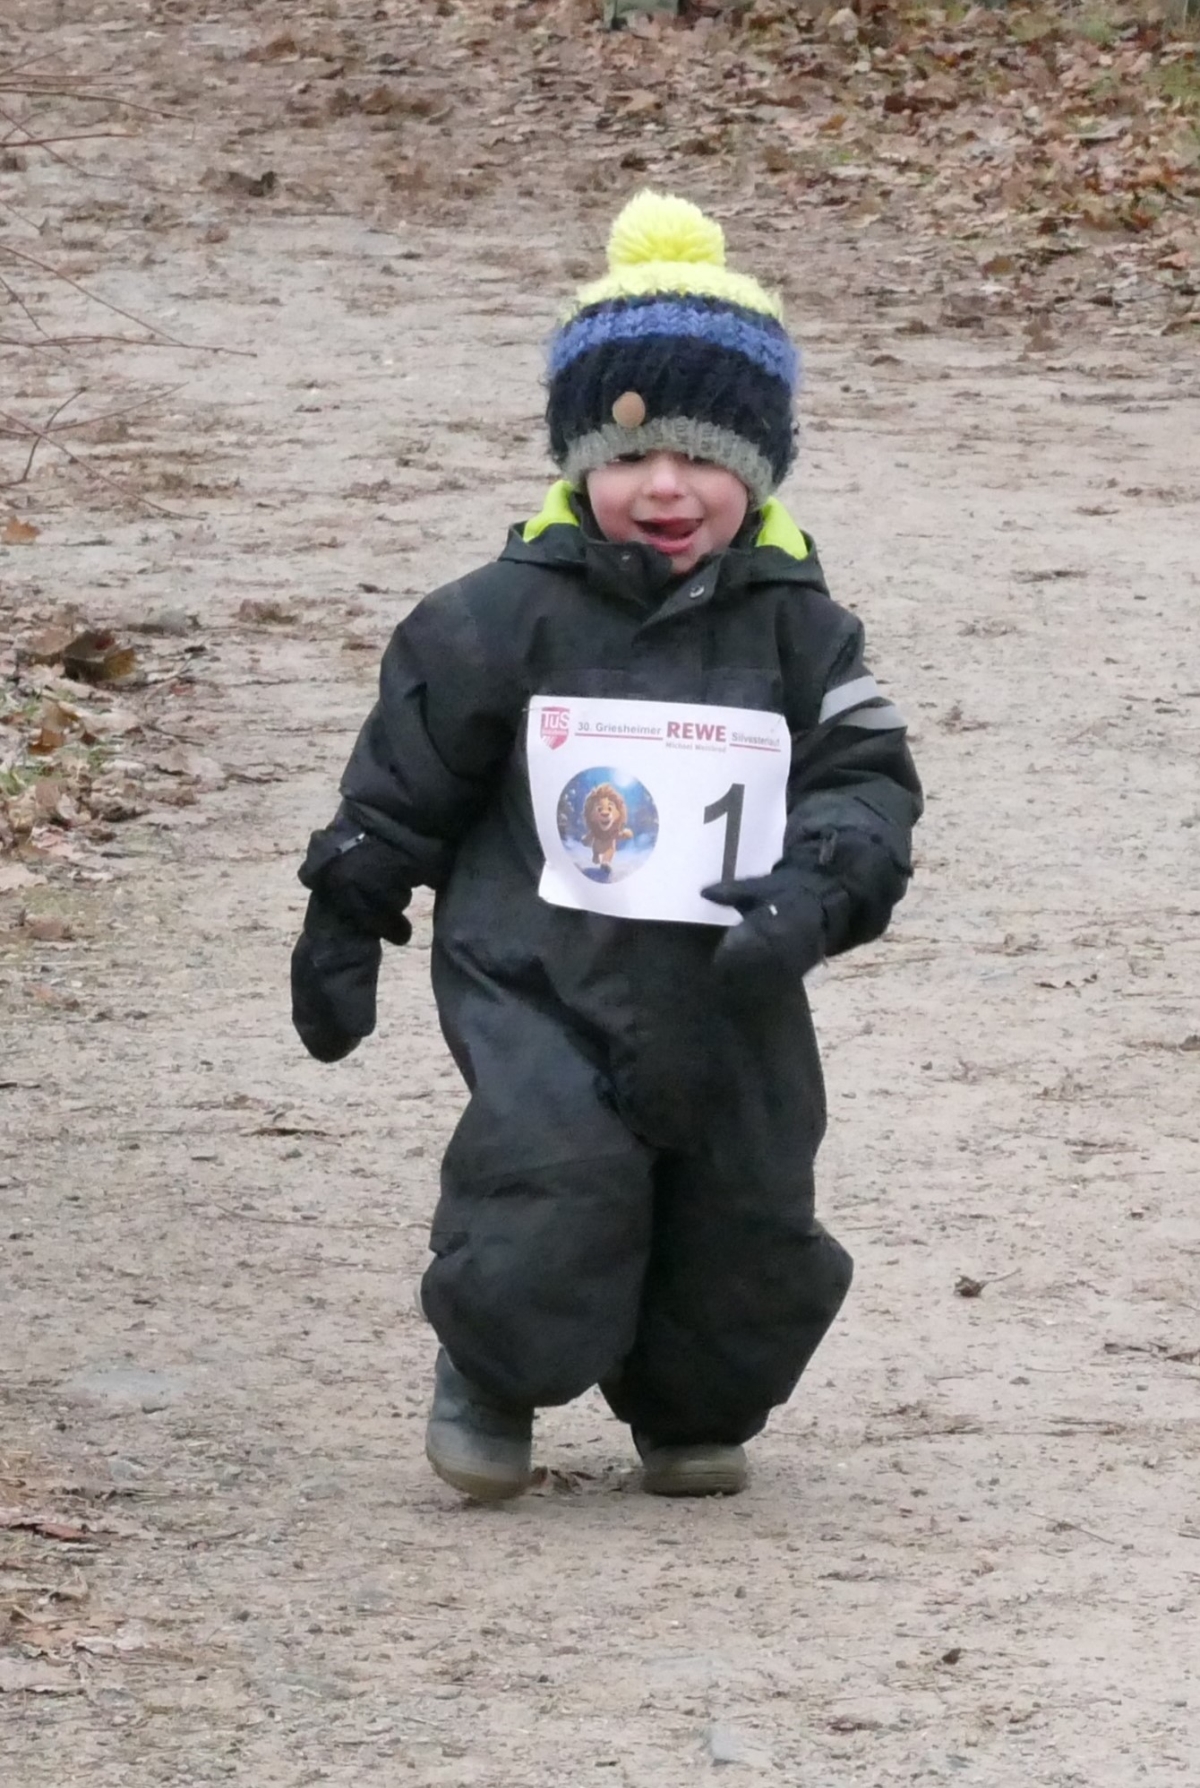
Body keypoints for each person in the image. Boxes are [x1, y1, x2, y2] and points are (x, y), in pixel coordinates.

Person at [290, 191, 922, 1503]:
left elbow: (865, 786)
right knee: (552, 1179)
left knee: (747, 1214)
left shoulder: (808, 634)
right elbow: (406, 774)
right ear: (580, 461)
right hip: (536, 969)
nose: (665, 486)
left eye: (703, 455)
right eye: (630, 454)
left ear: (759, 467)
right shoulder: (494, 619)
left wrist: (817, 894)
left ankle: (694, 1406)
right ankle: (493, 1374)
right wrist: (349, 900)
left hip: (734, 984)